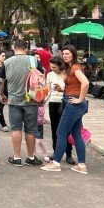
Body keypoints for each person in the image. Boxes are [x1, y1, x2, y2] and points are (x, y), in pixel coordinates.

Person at [42, 45, 90, 174]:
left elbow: (85, 83)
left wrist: (80, 99)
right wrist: (62, 90)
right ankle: (81, 165)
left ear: (73, 54)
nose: (65, 56)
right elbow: (76, 86)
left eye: (68, 54)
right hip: (74, 102)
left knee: (61, 133)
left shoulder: (75, 67)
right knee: (76, 134)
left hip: (73, 104)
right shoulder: (71, 68)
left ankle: (56, 163)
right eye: (63, 54)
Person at [0, 40, 43, 167]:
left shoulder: (7, 62)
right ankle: (30, 157)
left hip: (13, 100)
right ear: (26, 49)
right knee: (30, 130)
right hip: (32, 100)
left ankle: (17, 158)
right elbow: (41, 78)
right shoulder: (34, 60)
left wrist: (2, 95)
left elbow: (1, 81)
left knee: (16, 129)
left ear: (14, 48)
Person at [45, 56, 74, 164]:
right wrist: (42, 103)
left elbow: (71, 90)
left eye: (54, 67)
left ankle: (69, 153)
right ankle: (56, 151)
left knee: (67, 129)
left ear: (60, 66)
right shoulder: (49, 75)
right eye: (51, 67)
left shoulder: (67, 74)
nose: (52, 69)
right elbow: (47, 91)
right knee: (55, 128)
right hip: (53, 103)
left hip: (65, 103)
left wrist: (60, 89)